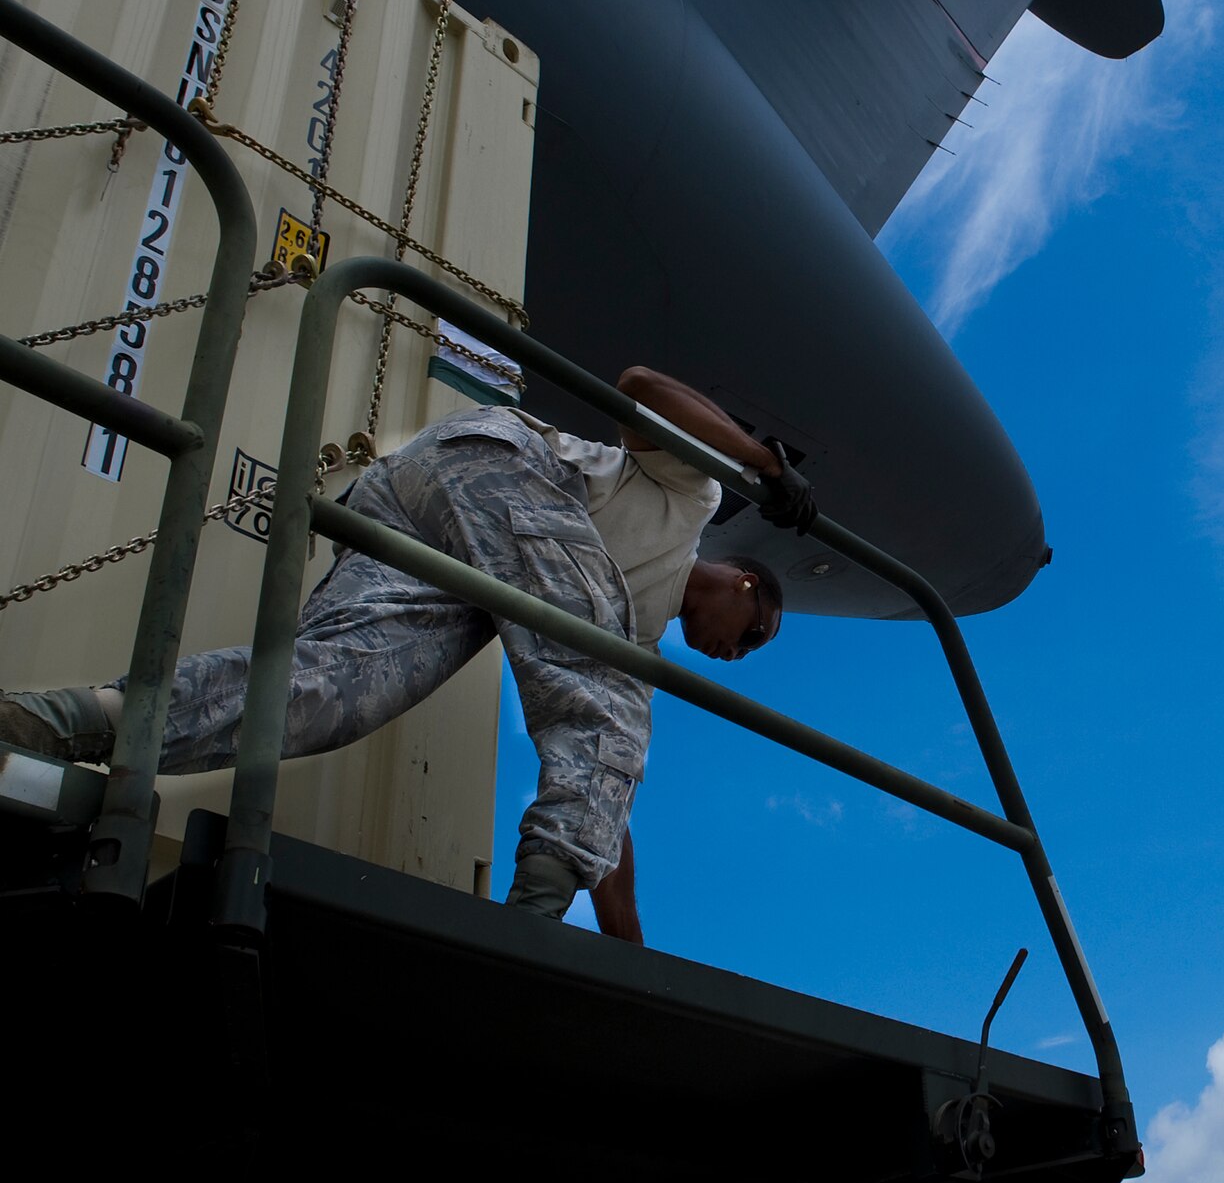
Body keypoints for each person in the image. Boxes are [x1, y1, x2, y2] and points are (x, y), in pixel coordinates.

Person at [0, 367, 816, 926]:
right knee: (610, 702)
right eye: (748, 640)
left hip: (426, 539)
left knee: (331, 694)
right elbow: (639, 388)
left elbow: (606, 786)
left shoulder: (621, 637)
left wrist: (629, 948)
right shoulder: (694, 496)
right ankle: (529, 923)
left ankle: (65, 722)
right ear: (744, 586)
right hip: (494, 470)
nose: (731, 656)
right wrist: (762, 466)